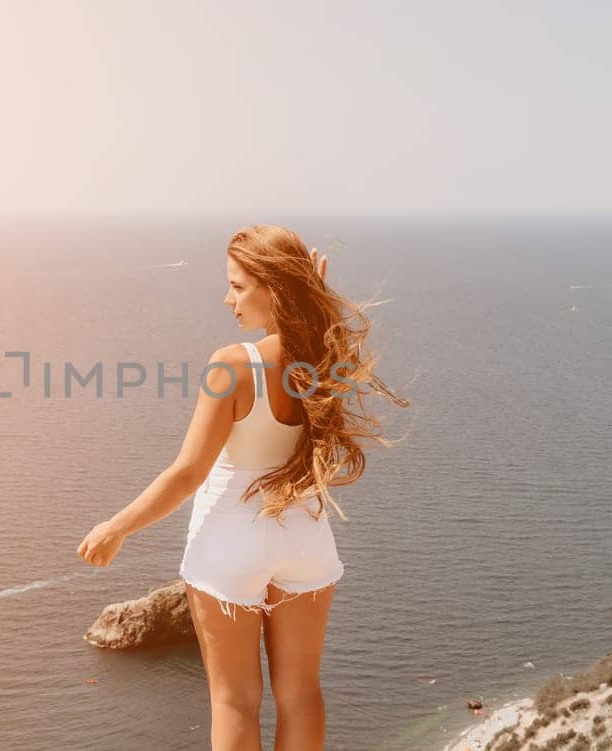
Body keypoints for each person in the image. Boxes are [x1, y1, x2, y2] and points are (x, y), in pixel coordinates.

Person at [77, 225, 410, 750]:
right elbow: (319, 342)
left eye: (237, 285)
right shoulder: (325, 357)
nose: (226, 298)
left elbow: (188, 472)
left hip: (231, 542)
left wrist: (117, 527)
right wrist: (315, 302)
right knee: (301, 695)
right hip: (305, 538)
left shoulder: (231, 364)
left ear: (273, 287)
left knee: (234, 701)